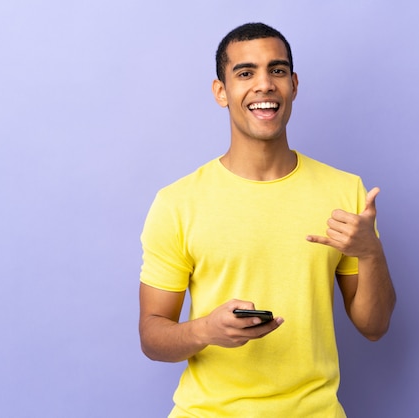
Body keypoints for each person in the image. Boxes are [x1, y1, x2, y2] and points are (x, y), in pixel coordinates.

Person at [138, 22, 396, 417]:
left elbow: (374, 327)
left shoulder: (345, 192)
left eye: (276, 71)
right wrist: (207, 329)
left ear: (293, 84)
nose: (264, 84)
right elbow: (152, 337)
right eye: (245, 73)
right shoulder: (177, 203)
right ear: (221, 92)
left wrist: (371, 253)